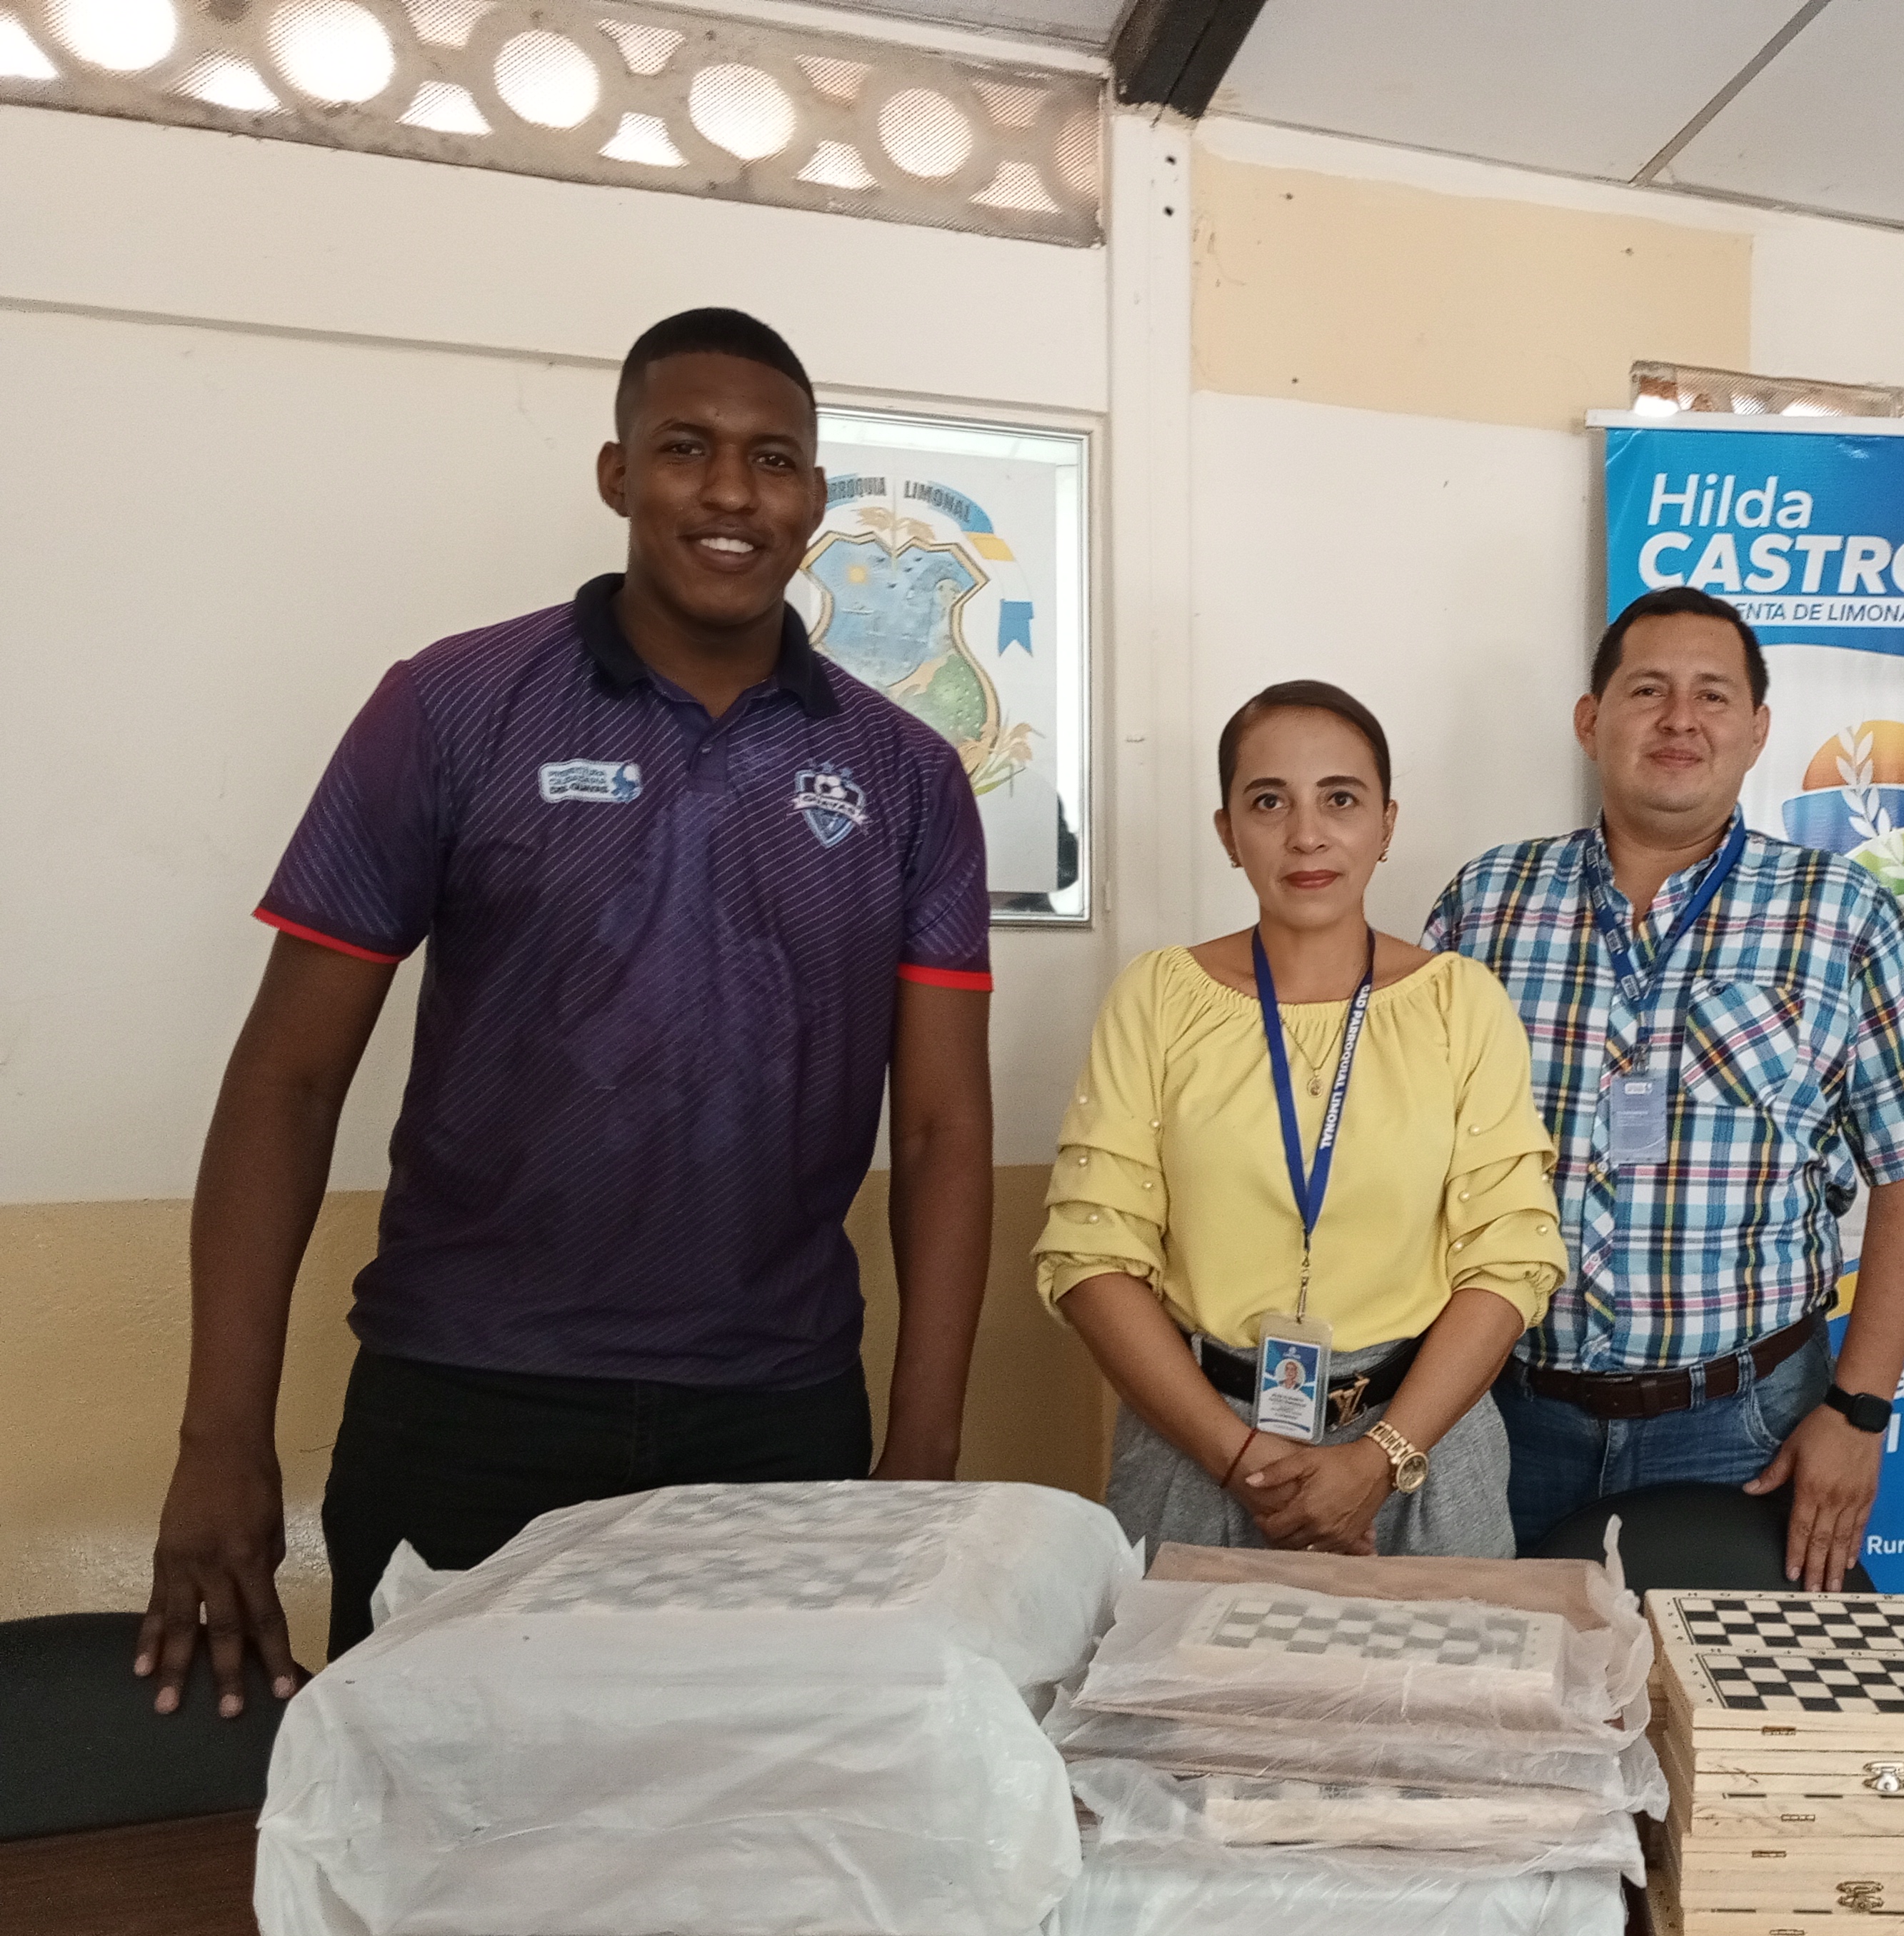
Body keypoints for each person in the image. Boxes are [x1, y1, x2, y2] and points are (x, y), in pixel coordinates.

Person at [136, 308, 997, 1710]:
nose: (732, 492)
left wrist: (922, 1448)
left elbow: (947, 1132)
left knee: (746, 1814)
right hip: (465, 1399)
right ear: (617, 475)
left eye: (774, 459)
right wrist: (218, 1437)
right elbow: (287, 1080)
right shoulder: (452, 707)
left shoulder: (904, 776)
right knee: (434, 1813)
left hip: (775, 1419)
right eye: (687, 449)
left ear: (814, 499)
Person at [1427, 587, 1904, 1593]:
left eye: (1711, 695)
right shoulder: (1487, 903)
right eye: (1646, 690)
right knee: (1506, 1685)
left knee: (1742, 1691)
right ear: (1590, 721)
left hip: (1746, 1426)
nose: (1679, 719)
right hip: (1502, 1413)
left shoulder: (1841, 914)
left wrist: (1860, 1412)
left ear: (1756, 731)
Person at [1037, 681, 1562, 1557]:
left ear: (1386, 824)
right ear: (1227, 832)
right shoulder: (1157, 997)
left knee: (1437, 1656)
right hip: (1197, 1442)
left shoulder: (1460, 1002)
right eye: (1268, 802)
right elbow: (1090, 1255)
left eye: (1340, 799)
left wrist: (1377, 1459)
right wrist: (1240, 1458)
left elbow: (1509, 1261)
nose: (1306, 835)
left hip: (1418, 1448)